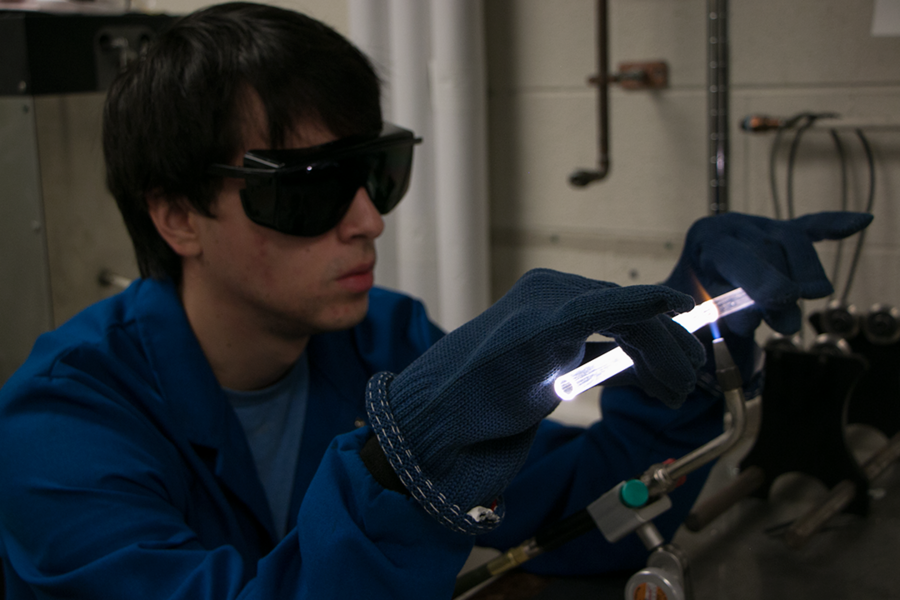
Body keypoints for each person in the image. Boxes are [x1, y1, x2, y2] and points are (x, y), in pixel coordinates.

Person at [0, 3, 872, 599]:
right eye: (312, 189)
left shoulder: (381, 341)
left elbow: (590, 520)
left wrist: (693, 339)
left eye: (379, 172)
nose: (369, 220)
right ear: (178, 215)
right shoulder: (59, 432)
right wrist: (400, 477)